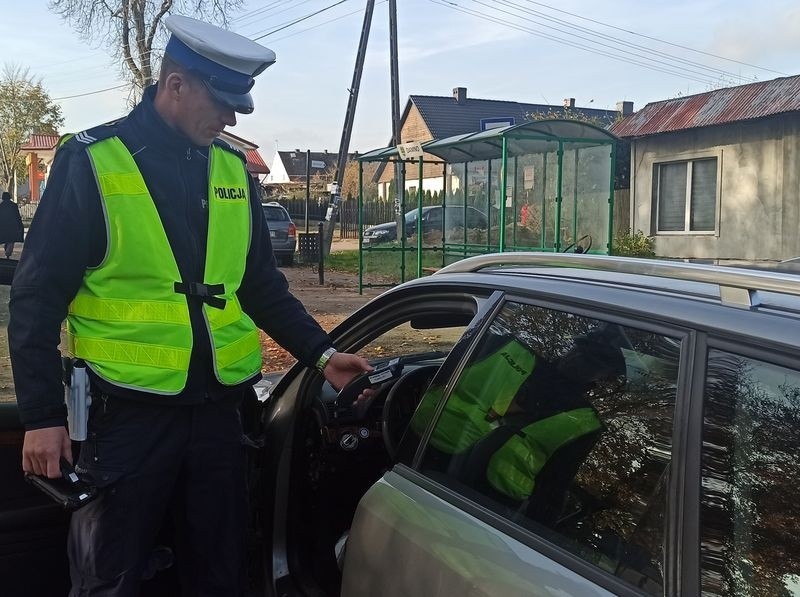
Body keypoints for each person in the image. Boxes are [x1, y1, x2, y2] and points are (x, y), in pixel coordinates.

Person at [9, 15, 371, 596]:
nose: (231, 119)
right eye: (222, 103)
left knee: (220, 574)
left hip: (219, 417)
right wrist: (43, 416)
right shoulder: (93, 160)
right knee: (110, 576)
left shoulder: (231, 170)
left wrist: (322, 352)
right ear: (175, 85)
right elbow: (35, 298)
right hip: (123, 415)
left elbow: (259, 286)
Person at [0, 191, 24, 258]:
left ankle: (7, 252)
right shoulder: (14, 205)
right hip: (13, 226)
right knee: (11, 240)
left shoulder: (1, 206)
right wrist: (20, 225)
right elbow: (17, 216)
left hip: (3, 226)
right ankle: (8, 253)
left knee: (6, 240)